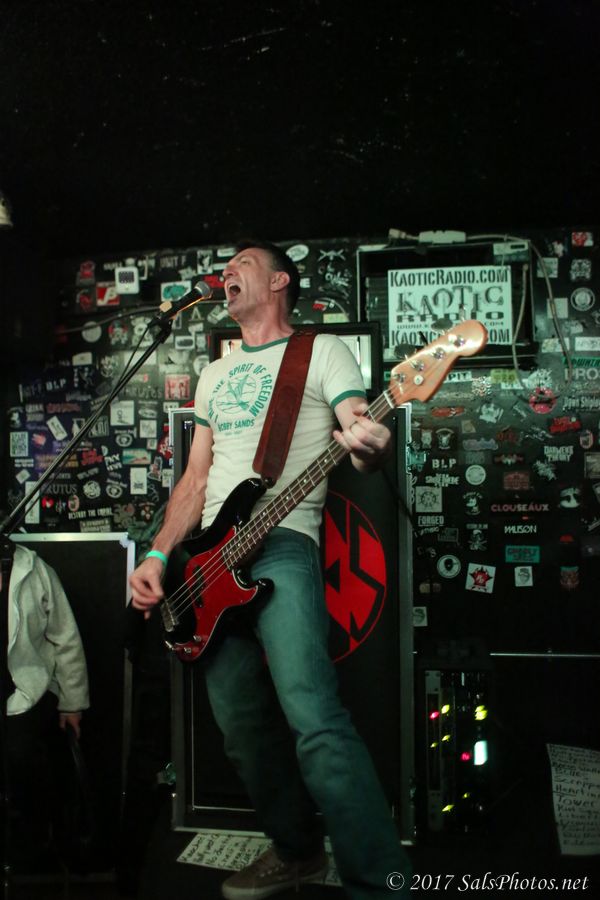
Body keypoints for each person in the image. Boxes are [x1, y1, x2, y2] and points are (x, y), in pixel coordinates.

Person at [129, 239, 411, 898]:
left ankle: (382, 882)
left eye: (244, 264)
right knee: (242, 729)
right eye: (225, 267)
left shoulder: (321, 351)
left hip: (282, 542)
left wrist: (370, 445)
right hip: (208, 565)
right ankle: (297, 851)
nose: (227, 271)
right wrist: (159, 554)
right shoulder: (215, 374)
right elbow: (195, 479)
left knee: (313, 717)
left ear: (281, 281)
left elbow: (357, 427)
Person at [2, 543, 89, 855]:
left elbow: (66, 638)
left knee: (23, 758)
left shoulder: (34, 569)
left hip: (26, 693)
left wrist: (72, 703)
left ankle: (36, 841)